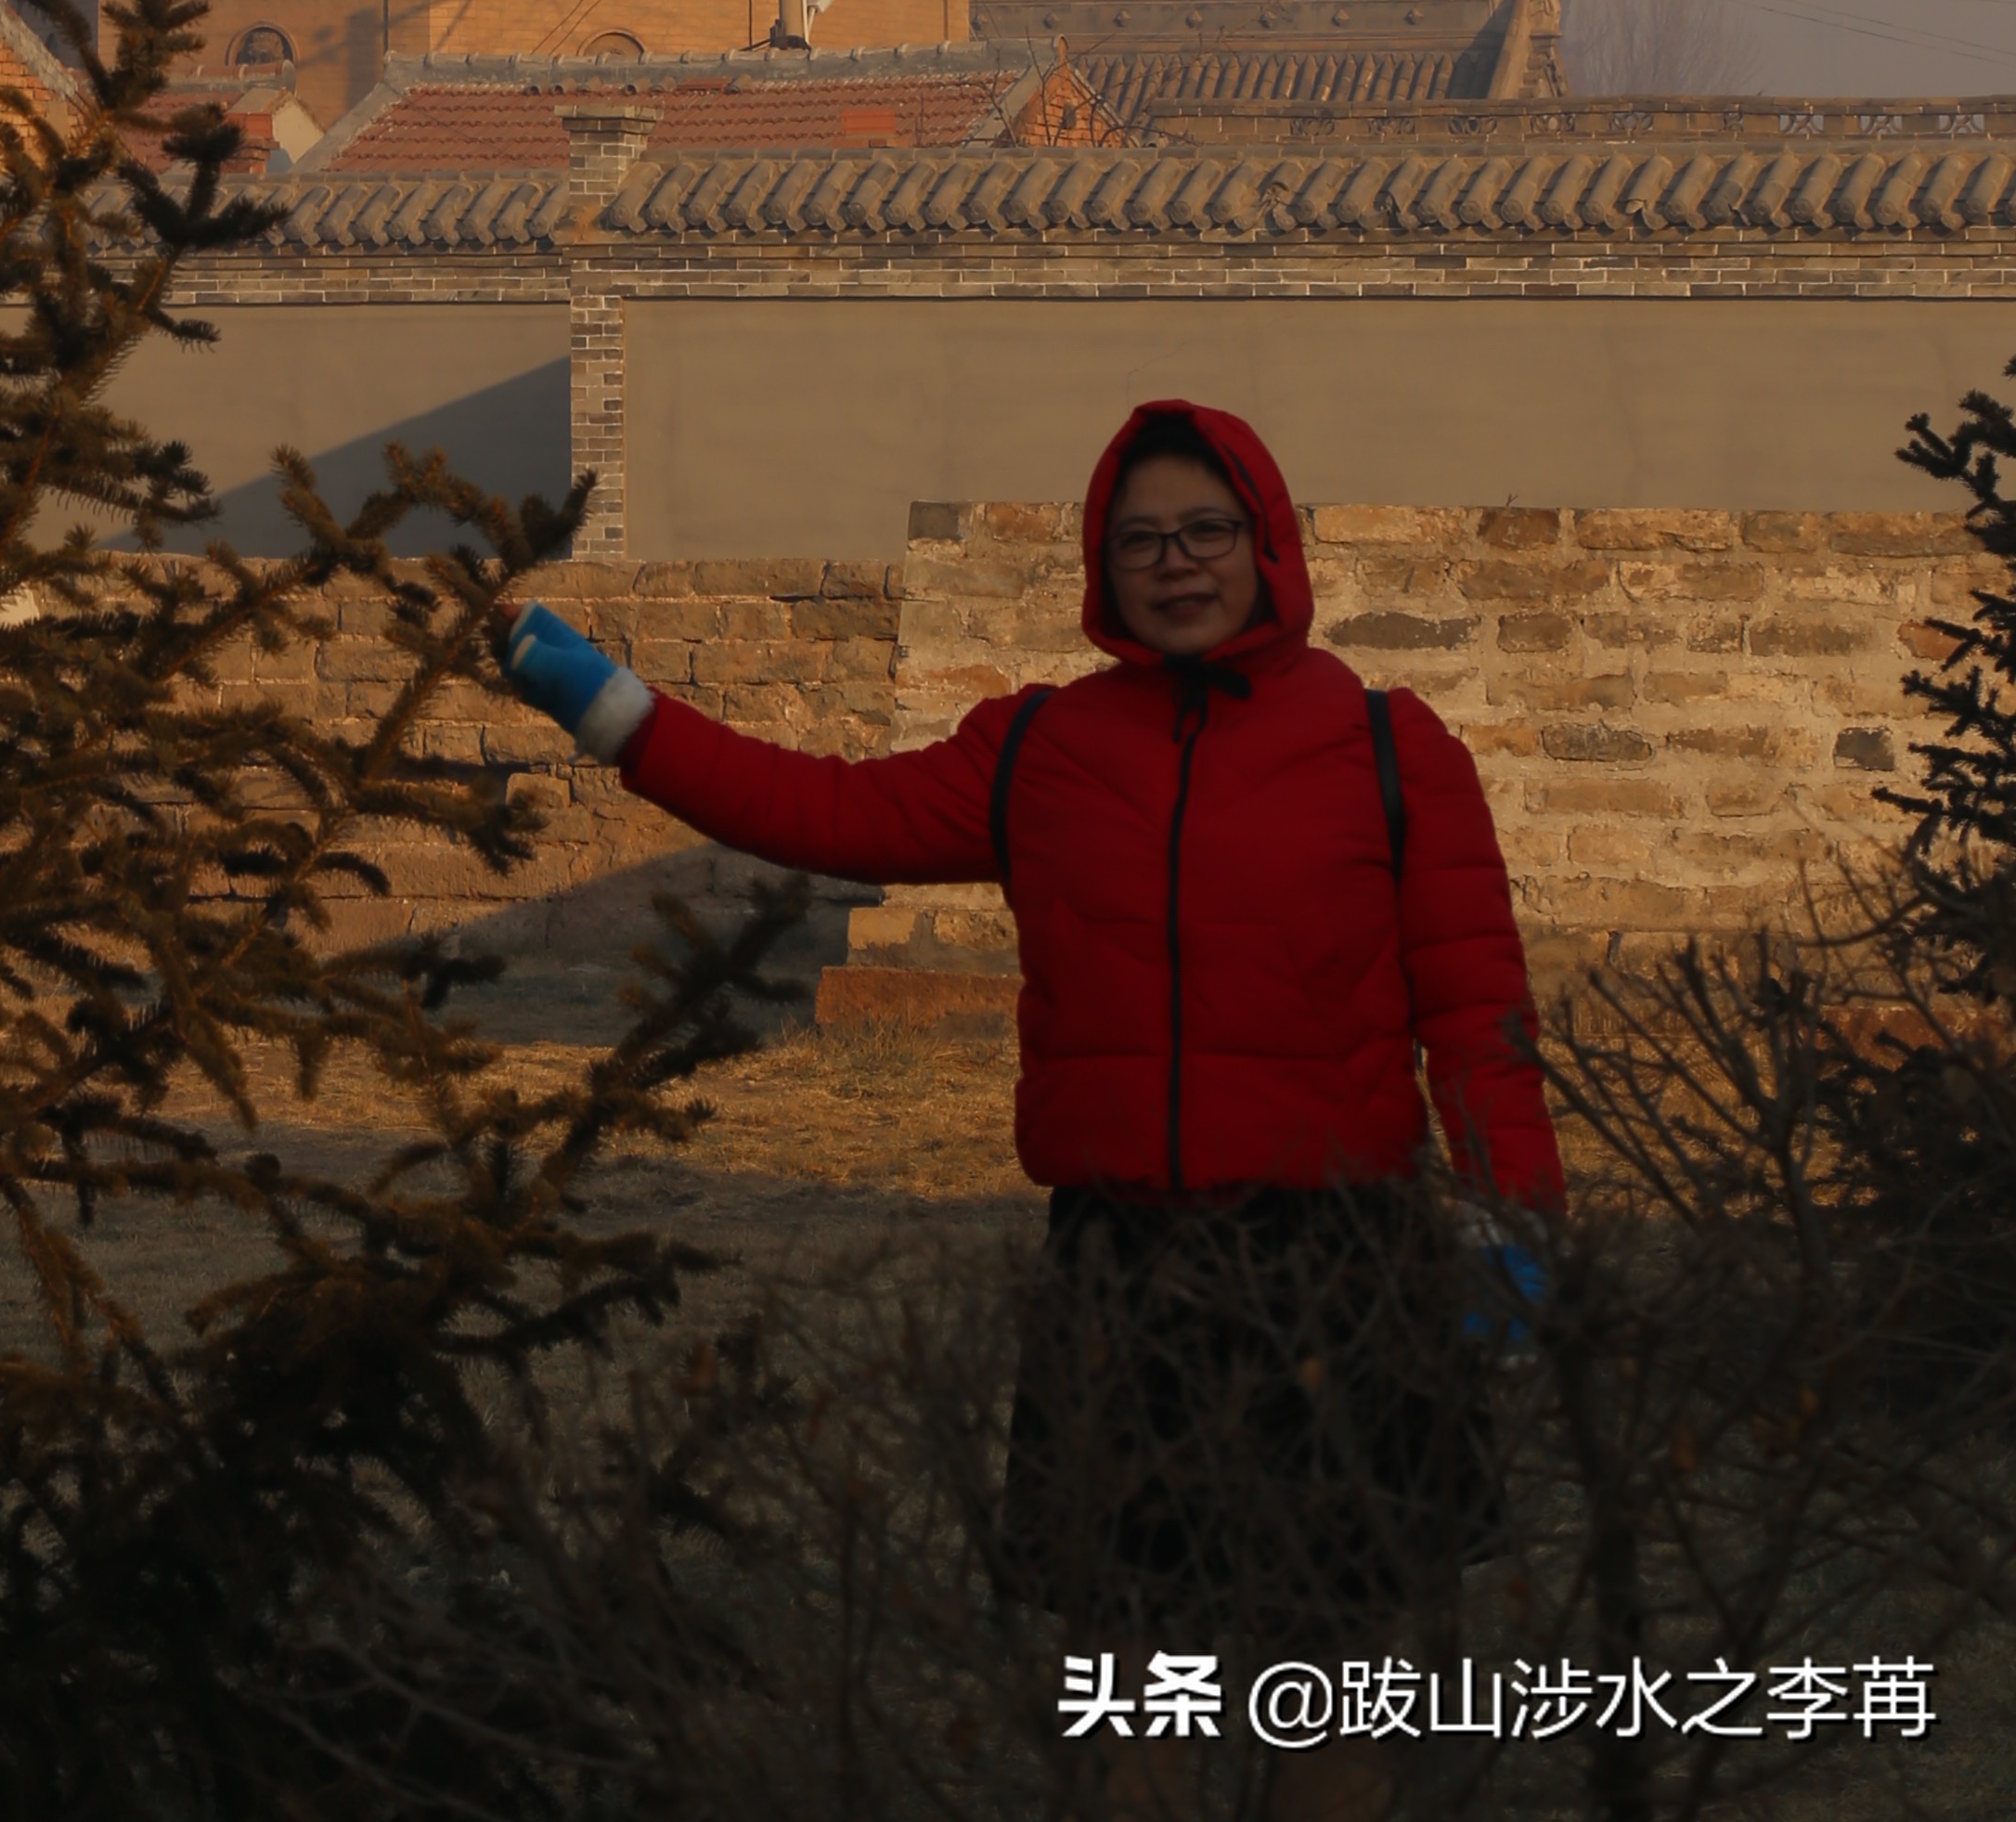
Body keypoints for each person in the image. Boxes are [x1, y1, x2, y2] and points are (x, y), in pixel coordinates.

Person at [498, 398, 1563, 1817]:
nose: (1177, 564)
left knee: (1334, 1690)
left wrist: (1512, 1231)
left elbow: (1480, 1011)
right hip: (1125, 1273)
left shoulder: (1390, 748)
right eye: (1141, 541)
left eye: (1206, 531)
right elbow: (821, 811)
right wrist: (618, 713)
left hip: (1342, 1270)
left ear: (1267, 543)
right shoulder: (1043, 749)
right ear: (1102, 568)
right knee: (1137, 1692)